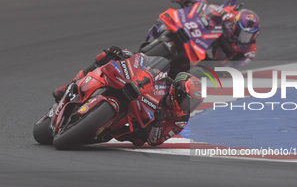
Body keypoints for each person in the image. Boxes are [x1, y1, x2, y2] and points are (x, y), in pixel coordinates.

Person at [52, 46, 203, 147]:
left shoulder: (181, 120)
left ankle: (99, 125)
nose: (187, 107)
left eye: (192, 104)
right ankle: (67, 87)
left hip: (137, 128)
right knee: (106, 57)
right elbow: (145, 67)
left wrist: (157, 122)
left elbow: (154, 141)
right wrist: (127, 56)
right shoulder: (165, 81)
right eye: (187, 101)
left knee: (137, 138)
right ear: (177, 90)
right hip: (134, 96)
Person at [141, 0, 260, 76]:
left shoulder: (250, 52)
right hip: (203, 40)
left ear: (255, 35)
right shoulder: (231, 18)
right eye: (241, 33)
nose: (244, 39)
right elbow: (211, 8)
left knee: (192, 74)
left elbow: (235, 68)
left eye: (248, 36)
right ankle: (149, 42)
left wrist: (225, 66)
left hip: (214, 62)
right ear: (235, 25)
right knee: (163, 22)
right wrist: (190, 0)